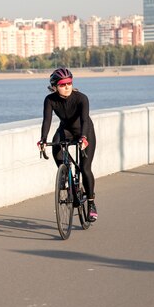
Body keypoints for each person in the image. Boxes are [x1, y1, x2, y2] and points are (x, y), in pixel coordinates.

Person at [37, 68, 98, 221]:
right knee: (56, 148)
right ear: (54, 87)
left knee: (85, 168)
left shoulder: (81, 98)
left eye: (69, 83)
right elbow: (47, 120)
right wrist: (43, 139)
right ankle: (66, 175)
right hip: (66, 130)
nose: (67, 87)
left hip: (85, 131)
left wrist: (84, 138)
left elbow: (84, 120)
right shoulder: (50, 100)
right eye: (63, 84)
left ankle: (91, 203)